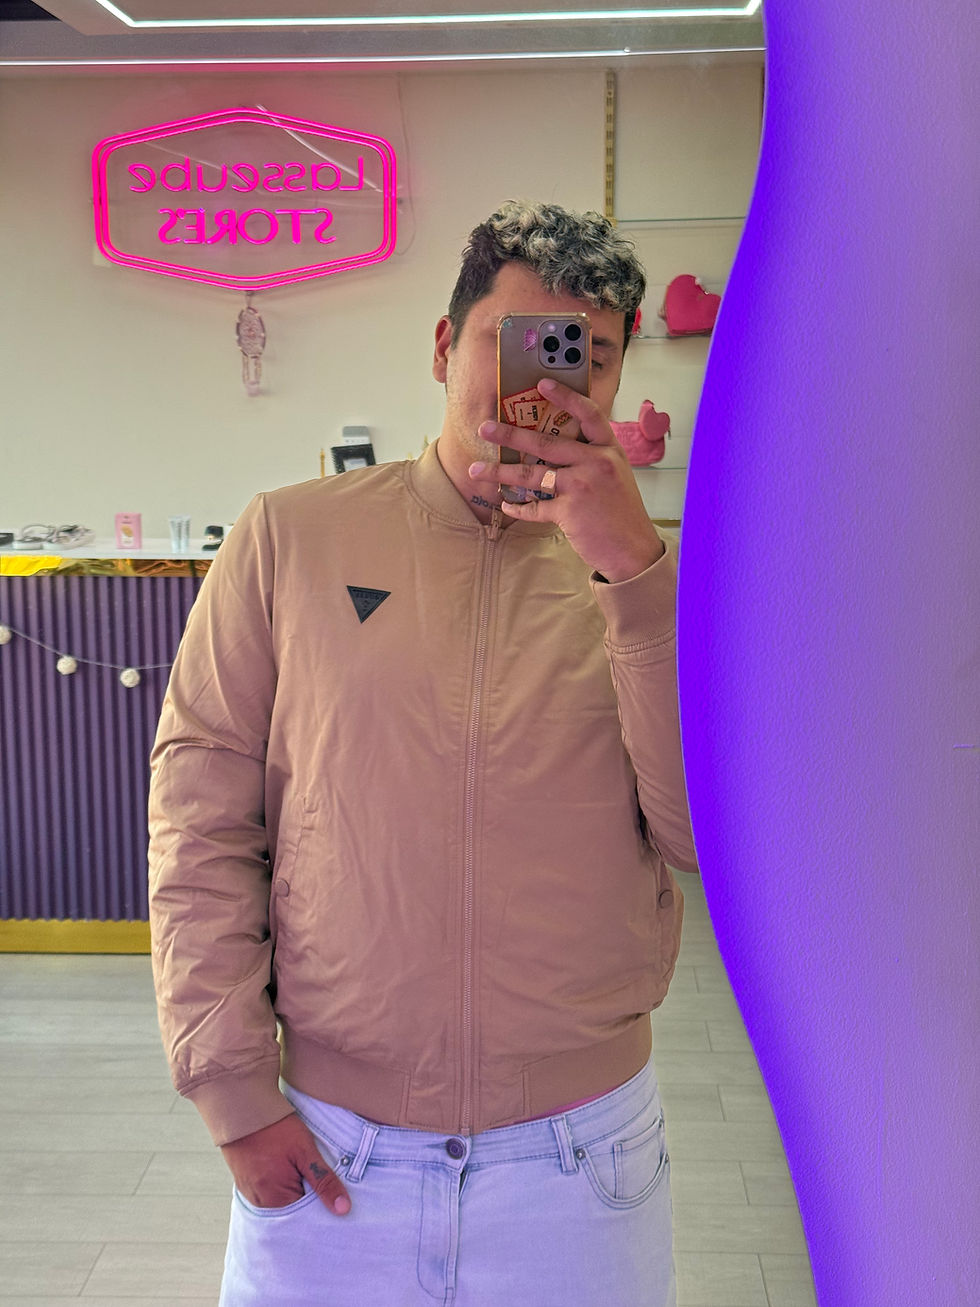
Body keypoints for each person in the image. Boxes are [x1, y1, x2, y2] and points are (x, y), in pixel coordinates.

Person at [148, 199, 698, 1307]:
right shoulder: (289, 537)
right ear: (445, 346)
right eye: (517, 342)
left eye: (586, 356)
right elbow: (201, 817)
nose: (549, 384)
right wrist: (232, 1092)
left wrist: (633, 579)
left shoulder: (664, 579)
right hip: (331, 1145)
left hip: (581, 1161)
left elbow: (703, 841)